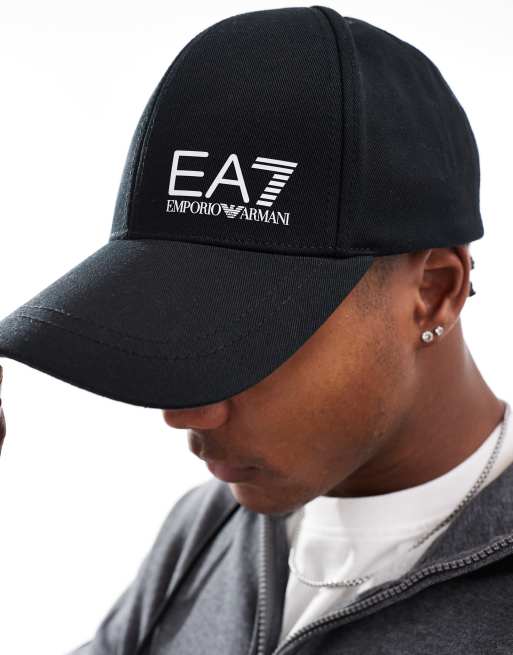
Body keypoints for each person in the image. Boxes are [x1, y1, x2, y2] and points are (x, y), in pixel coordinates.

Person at [0, 6, 511, 654]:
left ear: (434, 292)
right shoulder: (206, 530)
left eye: (251, 335)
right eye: (169, 324)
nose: (185, 413)